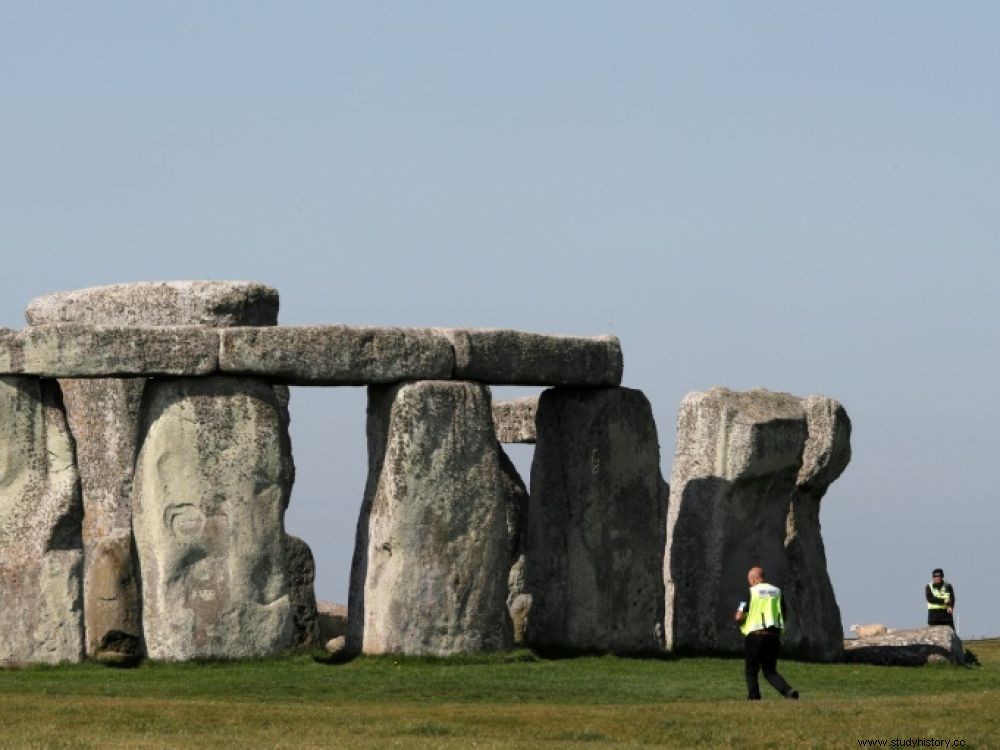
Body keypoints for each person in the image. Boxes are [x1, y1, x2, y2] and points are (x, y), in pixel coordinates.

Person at [734, 566, 799, 701]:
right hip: (773, 636)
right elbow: (784, 614)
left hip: (755, 635)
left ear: (753, 580)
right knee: (770, 670)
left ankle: (754, 697)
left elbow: (739, 616)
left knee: (751, 670)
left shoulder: (751, 592)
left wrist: (741, 623)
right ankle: (788, 691)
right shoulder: (777, 592)